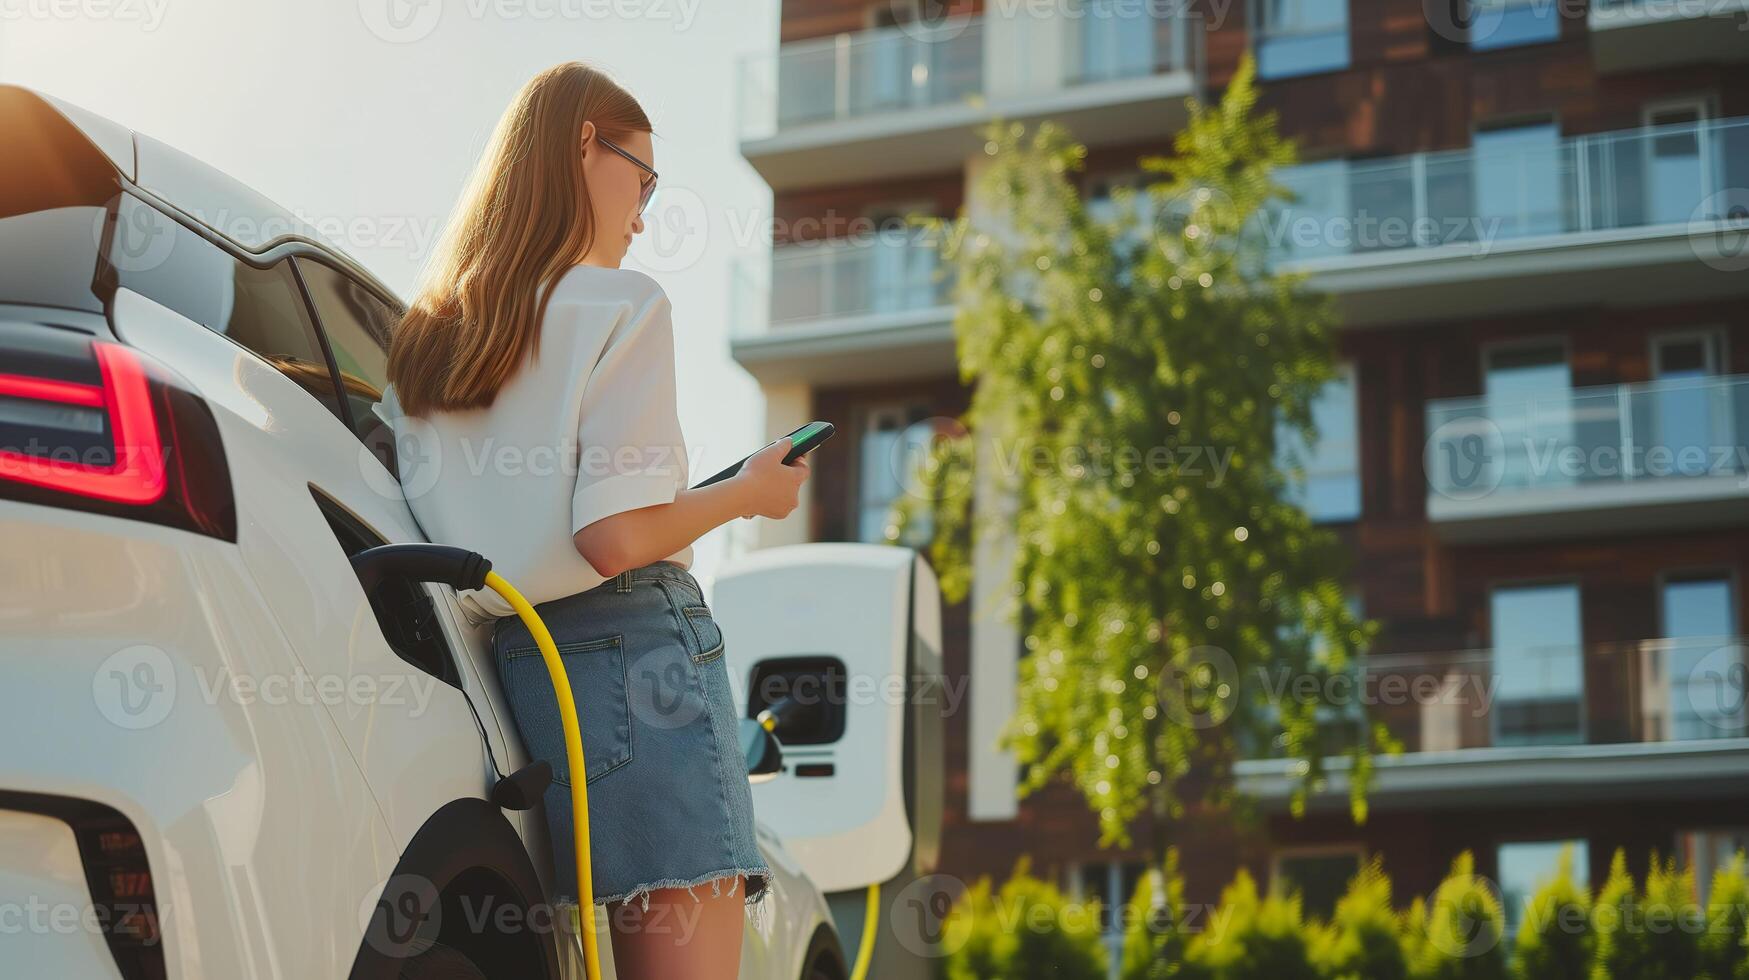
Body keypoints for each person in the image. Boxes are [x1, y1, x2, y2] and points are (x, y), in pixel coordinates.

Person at [375, 61, 808, 979]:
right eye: (641, 180)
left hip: (520, 670)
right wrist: (751, 491)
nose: (643, 216)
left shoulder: (425, 342)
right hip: (641, 659)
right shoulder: (622, 306)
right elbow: (611, 539)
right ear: (583, 144)